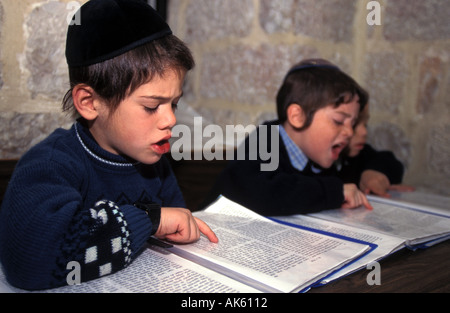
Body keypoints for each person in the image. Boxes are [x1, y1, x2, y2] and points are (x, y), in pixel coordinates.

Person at [0, 0, 217, 291]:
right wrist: (149, 218)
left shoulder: (156, 164)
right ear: (89, 103)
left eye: (174, 104)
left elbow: (174, 225)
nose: (170, 120)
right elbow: (29, 261)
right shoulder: (51, 164)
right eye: (152, 107)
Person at [202, 59, 372, 216]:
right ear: (298, 117)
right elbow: (263, 193)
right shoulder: (264, 141)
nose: (349, 132)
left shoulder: (330, 150)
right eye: (339, 121)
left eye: (353, 123)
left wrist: (371, 173)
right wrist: (334, 192)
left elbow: (380, 159)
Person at [332, 102, 414, 197]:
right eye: (354, 124)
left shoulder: (360, 154)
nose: (364, 132)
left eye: (365, 125)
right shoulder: (321, 161)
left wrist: (372, 174)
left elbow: (391, 162)